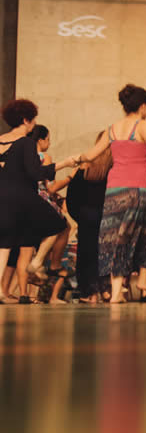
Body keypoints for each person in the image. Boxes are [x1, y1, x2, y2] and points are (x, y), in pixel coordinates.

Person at [74, 85, 146, 303]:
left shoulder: (112, 129)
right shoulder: (141, 125)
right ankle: (144, 279)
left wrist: (72, 160)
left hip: (115, 190)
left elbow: (90, 155)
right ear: (143, 105)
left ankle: (116, 293)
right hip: (139, 188)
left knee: (118, 239)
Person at [0, 99, 77, 304]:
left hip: (2, 198)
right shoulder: (26, 142)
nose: (34, 124)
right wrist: (65, 163)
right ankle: (37, 261)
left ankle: (1, 290)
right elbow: (35, 173)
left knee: (5, 243)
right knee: (59, 223)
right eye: (33, 120)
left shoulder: (0, 140)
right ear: (26, 120)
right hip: (22, 197)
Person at [66, 131, 112, 304]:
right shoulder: (113, 168)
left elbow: (71, 197)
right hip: (106, 216)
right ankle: (105, 289)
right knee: (104, 253)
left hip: (86, 216)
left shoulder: (84, 168)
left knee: (86, 254)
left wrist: (79, 216)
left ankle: (87, 291)